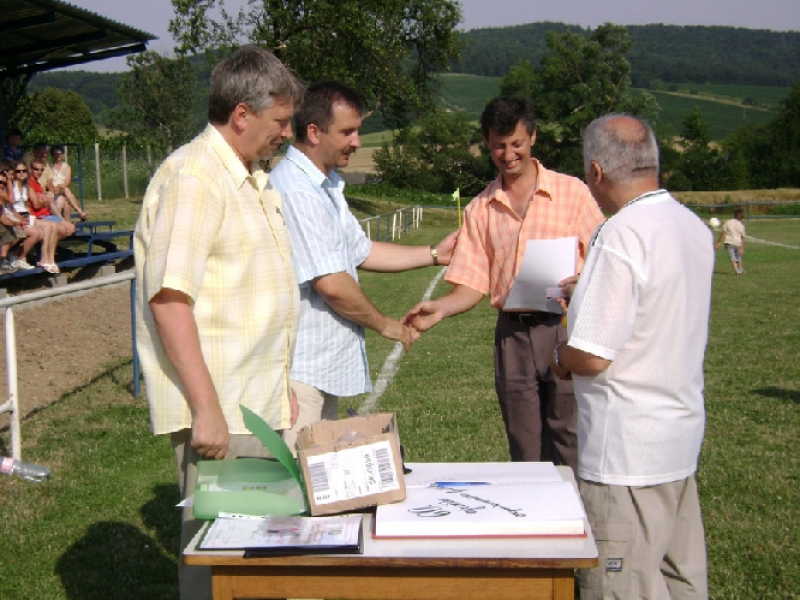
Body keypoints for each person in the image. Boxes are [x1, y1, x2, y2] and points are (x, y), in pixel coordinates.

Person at [134, 46, 303, 600]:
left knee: (255, 554)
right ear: (242, 114)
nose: (287, 133)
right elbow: (169, 299)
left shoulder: (249, 175)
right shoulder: (195, 177)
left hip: (254, 405)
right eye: (280, 121)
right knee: (223, 561)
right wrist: (206, 409)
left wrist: (279, 389)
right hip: (224, 415)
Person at [550, 114, 712, 599]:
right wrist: (592, 292)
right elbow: (658, 304)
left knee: (620, 587)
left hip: (625, 456)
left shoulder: (621, 233)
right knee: (681, 581)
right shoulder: (691, 226)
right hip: (678, 440)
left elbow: (593, 355)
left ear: (596, 172)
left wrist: (560, 356)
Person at [403, 95, 604, 473]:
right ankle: (535, 526)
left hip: (566, 328)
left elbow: (602, 258)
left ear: (532, 138)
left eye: (516, 143)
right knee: (525, 449)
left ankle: (577, 524)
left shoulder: (573, 192)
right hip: (512, 337)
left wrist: (582, 280)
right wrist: (441, 308)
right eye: (498, 145)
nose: (508, 154)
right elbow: (472, 283)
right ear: (487, 144)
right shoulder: (480, 209)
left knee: (570, 438)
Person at [269, 81, 458, 450]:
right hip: (298, 375)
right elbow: (332, 283)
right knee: (297, 493)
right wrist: (388, 326)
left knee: (317, 484)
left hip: (318, 370)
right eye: (347, 132)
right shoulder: (296, 192)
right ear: (313, 132)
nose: (356, 141)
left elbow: (361, 251)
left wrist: (435, 253)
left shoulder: (326, 186)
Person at [9, 161, 60, 272]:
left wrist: (43, 201)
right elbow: (35, 204)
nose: (21, 173)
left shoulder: (27, 186)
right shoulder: (11, 185)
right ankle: (18, 256)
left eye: (24, 171)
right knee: (38, 232)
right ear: (14, 173)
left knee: (52, 226)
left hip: (26, 214)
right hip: (15, 215)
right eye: (18, 171)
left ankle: (46, 259)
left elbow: (37, 202)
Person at [47, 145, 89, 221]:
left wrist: (59, 186)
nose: (57, 155)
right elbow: (48, 181)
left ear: (62, 154)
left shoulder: (67, 167)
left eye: (59, 153)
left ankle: (76, 214)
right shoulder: (49, 166)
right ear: (52, 155)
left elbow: (67, 182)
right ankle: (79, 211)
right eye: (55, 153)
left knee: (66, 190)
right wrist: (55, 188)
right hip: (52, 189)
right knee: (67, 200)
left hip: (62, 188)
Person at [715, 207, 745, 274]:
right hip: (737, 243)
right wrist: (742, 248)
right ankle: (740, 269)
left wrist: (719, 242)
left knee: (732, 257)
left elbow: (723, 232)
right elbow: (742, 237)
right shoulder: (741, 225)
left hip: (729, 242)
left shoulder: (728, 222)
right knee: (738, 257)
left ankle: (737, 271)